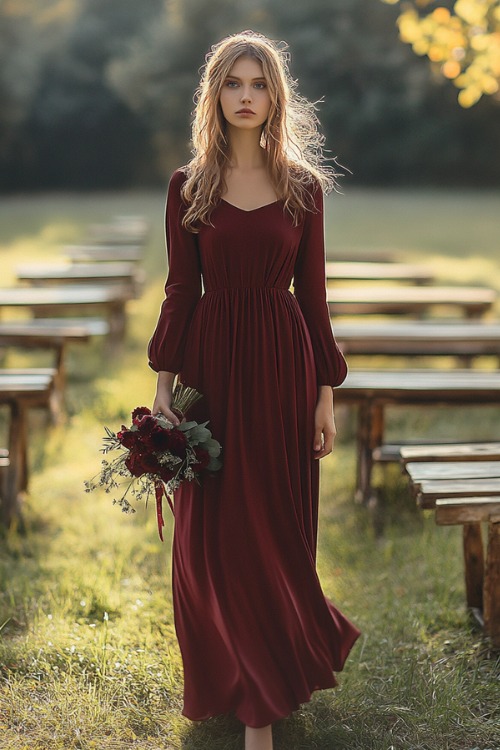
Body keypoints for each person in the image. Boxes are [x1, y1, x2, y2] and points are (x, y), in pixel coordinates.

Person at [148, 29, 361, 750]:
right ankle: (233, 679)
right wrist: (163, 391)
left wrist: (326, 391)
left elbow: (315, 294)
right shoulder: (189, 186)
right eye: (233, 83)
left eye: (258, 84)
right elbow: (180, 291)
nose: (246, 96)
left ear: (276, 97)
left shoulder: (303, 187)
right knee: (211, 534)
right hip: (212, 370)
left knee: (273, 526)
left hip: (282, 366)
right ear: (215, 94)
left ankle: (264, 694)